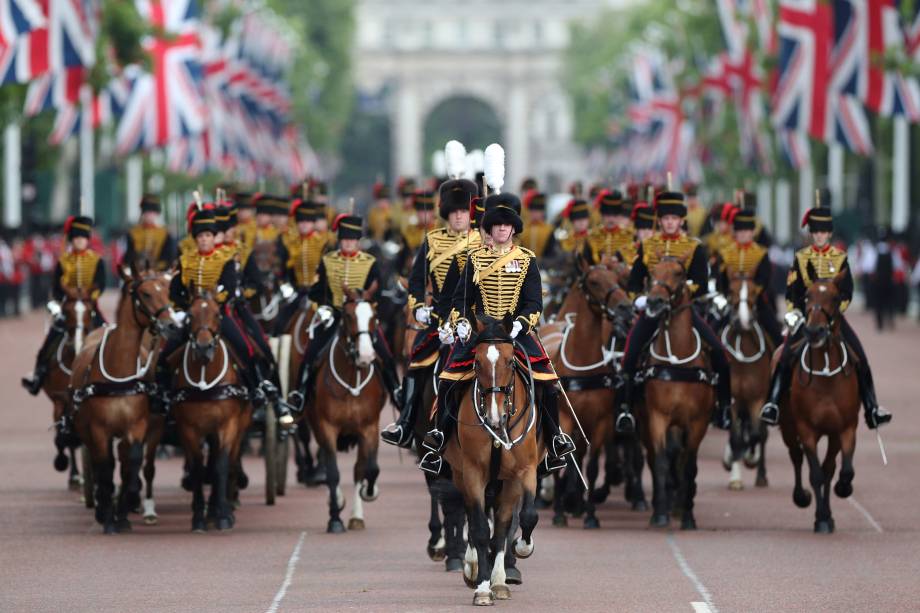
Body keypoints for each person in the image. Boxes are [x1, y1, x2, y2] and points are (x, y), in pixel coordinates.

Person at [418, 195, 577, 475]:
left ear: (513, 230)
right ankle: (439, 437)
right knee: (448, 378)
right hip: (480, 330)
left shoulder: (527, 261)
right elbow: (460, 300)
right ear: (489, 231)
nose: (502, 230)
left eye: (507, 226)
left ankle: (554, 441)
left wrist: (522, 323)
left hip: (515, 331)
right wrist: (463, 322)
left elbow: (534, 303)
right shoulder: (475, 259)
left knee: (549, 381)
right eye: (497, 226)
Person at [759, 206, 891, 429]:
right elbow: (792, 291)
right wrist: (795, 313)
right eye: (816, 231)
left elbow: (847, 291)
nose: (819, 235)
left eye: (823, 231)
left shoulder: (840, 258)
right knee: (785, 356)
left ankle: (872, 408)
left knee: (860, 356)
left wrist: (836, 312)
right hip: (806, 319)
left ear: (829, 233)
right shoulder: (801, 258)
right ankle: (772, 403)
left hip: (833, 319)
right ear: (812, 234)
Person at [615, 191, 732, 434]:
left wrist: (681, 292)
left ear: (681, 221)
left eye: (674, 218)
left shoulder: (693, 247)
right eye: (666, 218)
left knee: (719, 352)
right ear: (660, 220)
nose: (670, 222)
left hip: (682, 311)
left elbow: (700, 282)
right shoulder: (648, 246)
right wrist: (640, 299)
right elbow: (635, 282)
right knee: (630, 353)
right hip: (653, 311)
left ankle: (724, 407)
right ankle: (626, 408)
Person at [381, 175, 480, 447]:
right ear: (446, 213)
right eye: (454, 211)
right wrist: (418, 307)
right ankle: (406, 423)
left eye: (463, 211)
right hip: (439, 320)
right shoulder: (432, 240)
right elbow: (415, 281)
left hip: (474, 321)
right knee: (416, 362)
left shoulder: (483, 240)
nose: (459, 216)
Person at [156, 207, 282, 417]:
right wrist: (182, 308)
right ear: (195, 239)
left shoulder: (226, 260)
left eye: (208, 235)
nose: (204, 240)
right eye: (200, 236)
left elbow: (230, 289)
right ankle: (164, 396)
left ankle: (255, 390)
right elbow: (176, 291)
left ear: (214, 237)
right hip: (192, 317)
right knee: (166, 354)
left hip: (220, 315)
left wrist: (212, 302)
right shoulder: (186, 260)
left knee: (245, 349)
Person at [286, 214, 402, 411]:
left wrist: (368, 308)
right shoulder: (328, 261)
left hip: (362, 317)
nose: (348, 243)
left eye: (352, 239)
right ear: (339, 240)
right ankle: (300, 393)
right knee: (311, 352)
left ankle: (396, 391)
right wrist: (322, 307)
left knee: (385, 354)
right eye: (345, 239)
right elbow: (317, 291)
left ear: (358, 241)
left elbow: (378, 293)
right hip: (335, 315)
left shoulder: (370, 262)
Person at [22, 216, 106, 395]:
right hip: (68, 308)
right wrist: (62, 302)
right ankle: (39, 374)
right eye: (76, 238)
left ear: (87, 240)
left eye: (83, 238)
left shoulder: (96, 260)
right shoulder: (63, 261)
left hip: (90, 307)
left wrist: (90, 297)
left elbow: (101, 284)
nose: (80, 242)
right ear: (72, 240)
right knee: (50, 341)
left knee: (107, 336)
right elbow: (56, 289)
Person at [715, 208, 783, 345]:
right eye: (740, 231)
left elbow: (764, 279)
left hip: (755, 300)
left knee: (775, 332)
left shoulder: (761, 253)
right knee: (713, 329)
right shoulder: (725, 253)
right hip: (732, 301)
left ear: (752, 232)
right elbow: (720, 281)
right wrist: (730, 294)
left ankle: (780, 363)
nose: (743, 235)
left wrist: (752, 293)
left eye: (746, 231)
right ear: (735, 232)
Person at [271, 200, 327, 336]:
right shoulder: (289, 242)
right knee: (280, 323)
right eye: (301, 222)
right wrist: (286, 286)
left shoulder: (323, 242)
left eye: (308, 222)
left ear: (313, 223)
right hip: (299, 291)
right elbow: (281, 269)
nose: (304, 225)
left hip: (320, 293)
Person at [123, 194, 177, 271]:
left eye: (152, 212)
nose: (149, 215)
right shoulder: (133, 233)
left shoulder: (165, 233)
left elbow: (169, 257)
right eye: (147, 212)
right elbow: (128, 256)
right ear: (143, 214)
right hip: (138, 271)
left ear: (156, 214)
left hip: (159, 271)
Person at [584, 189, 636, 264]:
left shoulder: (630, 236)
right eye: (607, 215)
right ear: (602, 215)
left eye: (615, 215)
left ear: (619, 216)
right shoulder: (591, 236)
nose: (611, 219)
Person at [517, 190, 556, 261]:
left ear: (542, 212)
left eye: (538, 211)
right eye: (532, 211)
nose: (535, 214)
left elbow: (551, 253)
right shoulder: (523, 229)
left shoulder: (549, 230)